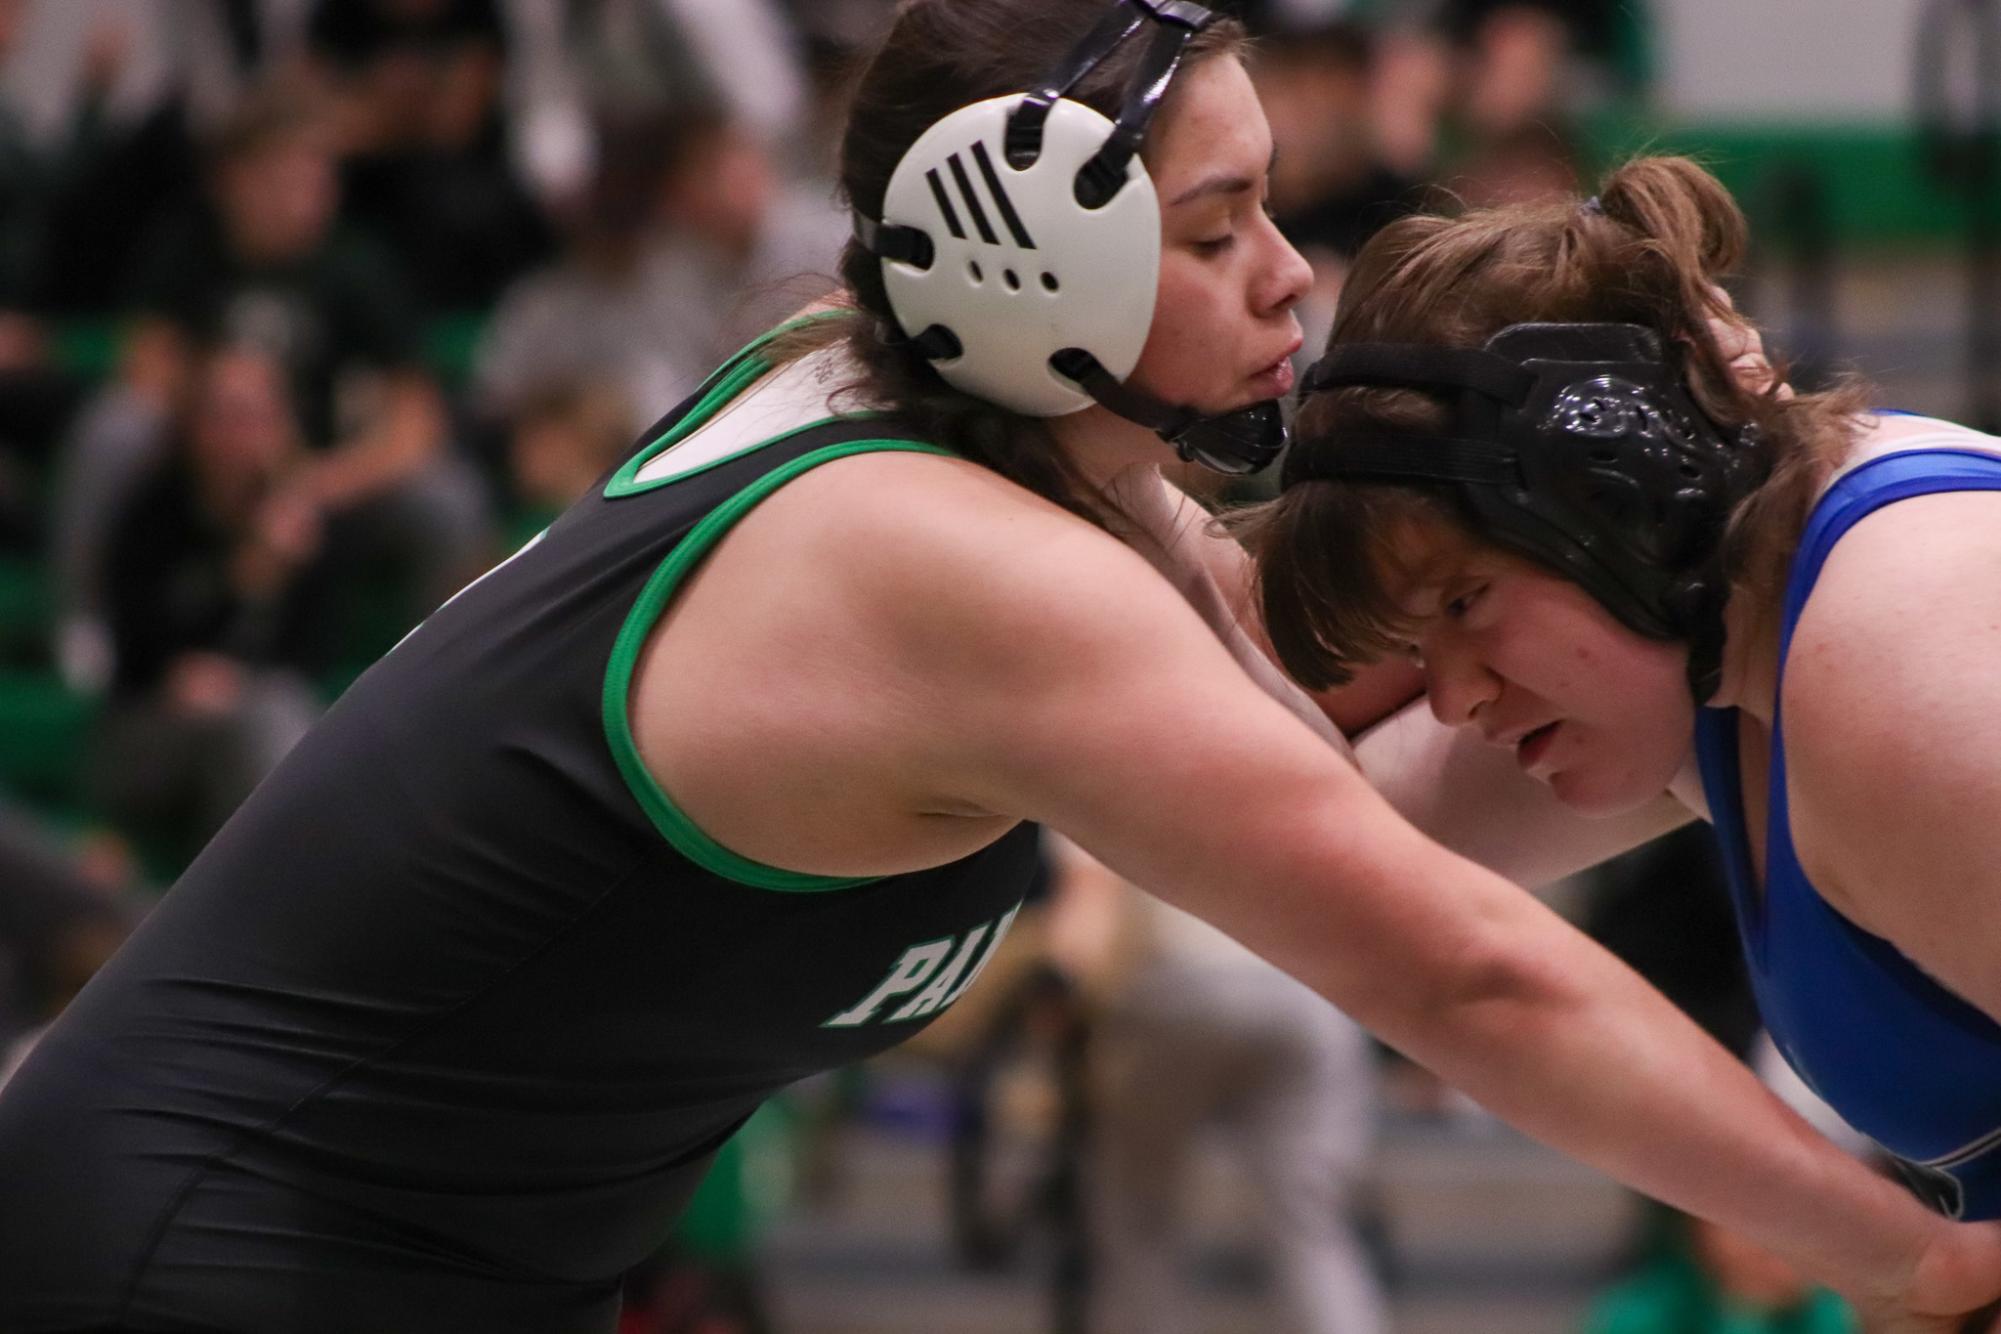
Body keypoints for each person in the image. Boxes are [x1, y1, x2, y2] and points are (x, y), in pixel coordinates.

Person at [1, 7, 1997, 1333]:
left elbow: (1303, 699)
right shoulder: (953, 569)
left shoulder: (937, 433)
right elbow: (1440, 959)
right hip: (220, 1247)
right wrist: (1905, 1259)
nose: (1290, 272)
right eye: (1217, 229)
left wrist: (1571, 495)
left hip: (388, 1253)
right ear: (1021, 273)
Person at [1243, 153, 2001, 1226]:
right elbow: (1311, 847)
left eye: (1465, 600)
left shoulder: (1892, 648)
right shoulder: (1727, 669)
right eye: (1421, 644)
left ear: (1629, 491)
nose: (1454, 699)